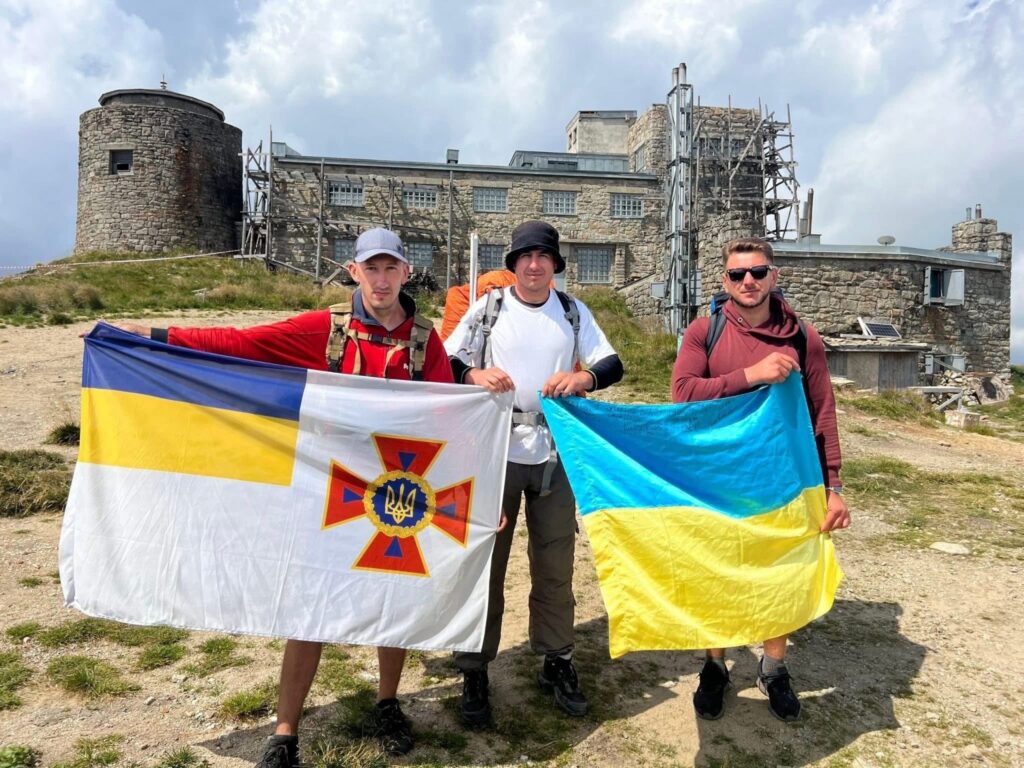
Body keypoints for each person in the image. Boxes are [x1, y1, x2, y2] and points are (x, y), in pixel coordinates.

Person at [90, 228, 454, 763]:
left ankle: (386, 702)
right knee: (308, 608)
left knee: (390, 600)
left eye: (390, 268)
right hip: (325, 488)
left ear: (406, 273)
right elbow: (242, 343)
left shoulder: (426, 341)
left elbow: (449, 417)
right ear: (353, 272)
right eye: (370, 269)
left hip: (392, 494)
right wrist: (150, 335)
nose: (380, 280)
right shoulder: (324, 328)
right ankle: (285, 732)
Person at [445, 220, 624, 725]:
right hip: (494, 454)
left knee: (555, 565)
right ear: (513, 263)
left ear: (555, 264)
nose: (534, 264)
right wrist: (474, 375)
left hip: (553, 456)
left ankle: (557, 659)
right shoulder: (489, 309)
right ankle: (475, 667)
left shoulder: (571, 312)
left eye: (543, 256)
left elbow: (612, 363)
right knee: (486, 565)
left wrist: (583, 376)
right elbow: (448, 357)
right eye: (525, 255)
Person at [671, 236, 851, 723]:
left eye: (757, 272)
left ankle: (773, 668)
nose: (747, 281)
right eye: (737, 275)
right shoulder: (703, 331)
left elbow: (821, 414)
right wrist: (753, 374)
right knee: (716, 573)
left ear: (774, 276)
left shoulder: (802, 337)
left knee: (781, 575)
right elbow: (683, 395)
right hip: (718, 478)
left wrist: (833, 486)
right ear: (724, 281)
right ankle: (715, 666)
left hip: (783, 481)